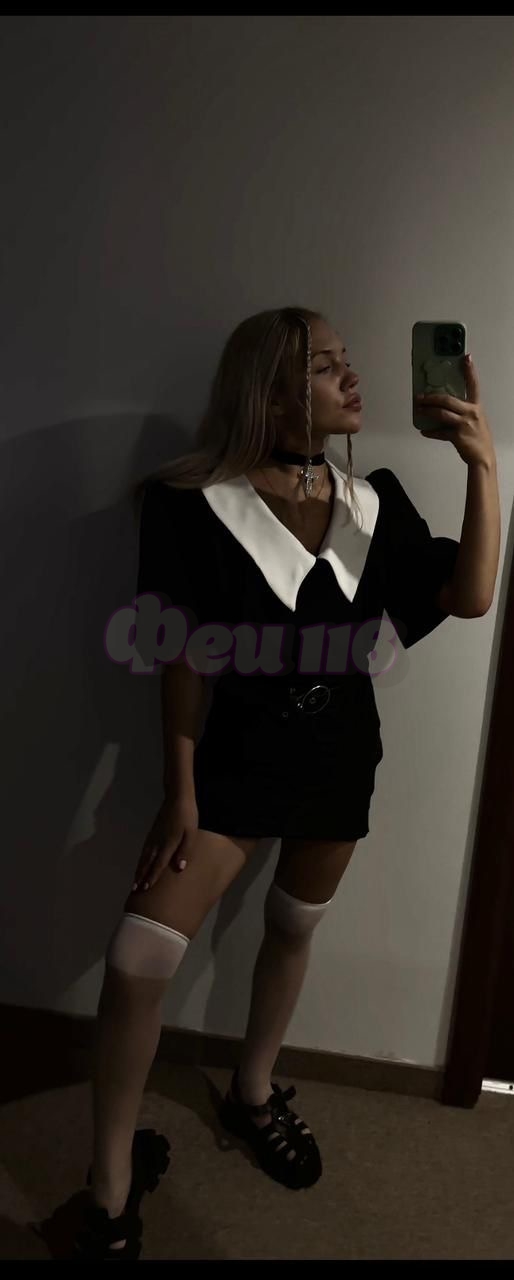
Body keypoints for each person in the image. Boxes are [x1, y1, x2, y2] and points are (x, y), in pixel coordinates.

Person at [74, 306, 462, 1258]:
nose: (351, 376)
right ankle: (109, 1192)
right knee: (136, 958)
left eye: (344, 360)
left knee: (293, 929)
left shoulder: (372, 502)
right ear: (271, 391)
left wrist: (483, 461)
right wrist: (180, 791)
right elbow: (179, 658)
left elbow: (469, 595)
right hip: (233, 765)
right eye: (325, 365)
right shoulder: (189, 502)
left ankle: (252, 1092)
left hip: (339, 759)